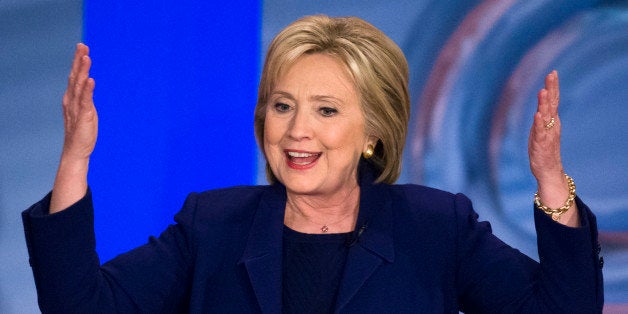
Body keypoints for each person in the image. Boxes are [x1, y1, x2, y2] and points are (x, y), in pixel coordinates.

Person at [22, 15, 603, 313]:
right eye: (282, 106)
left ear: (373, 131)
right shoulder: (213, 225)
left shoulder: (435, 227)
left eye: (326, 110)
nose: (297, 130)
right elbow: (80, 307)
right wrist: (75, 158)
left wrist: (551, 180)